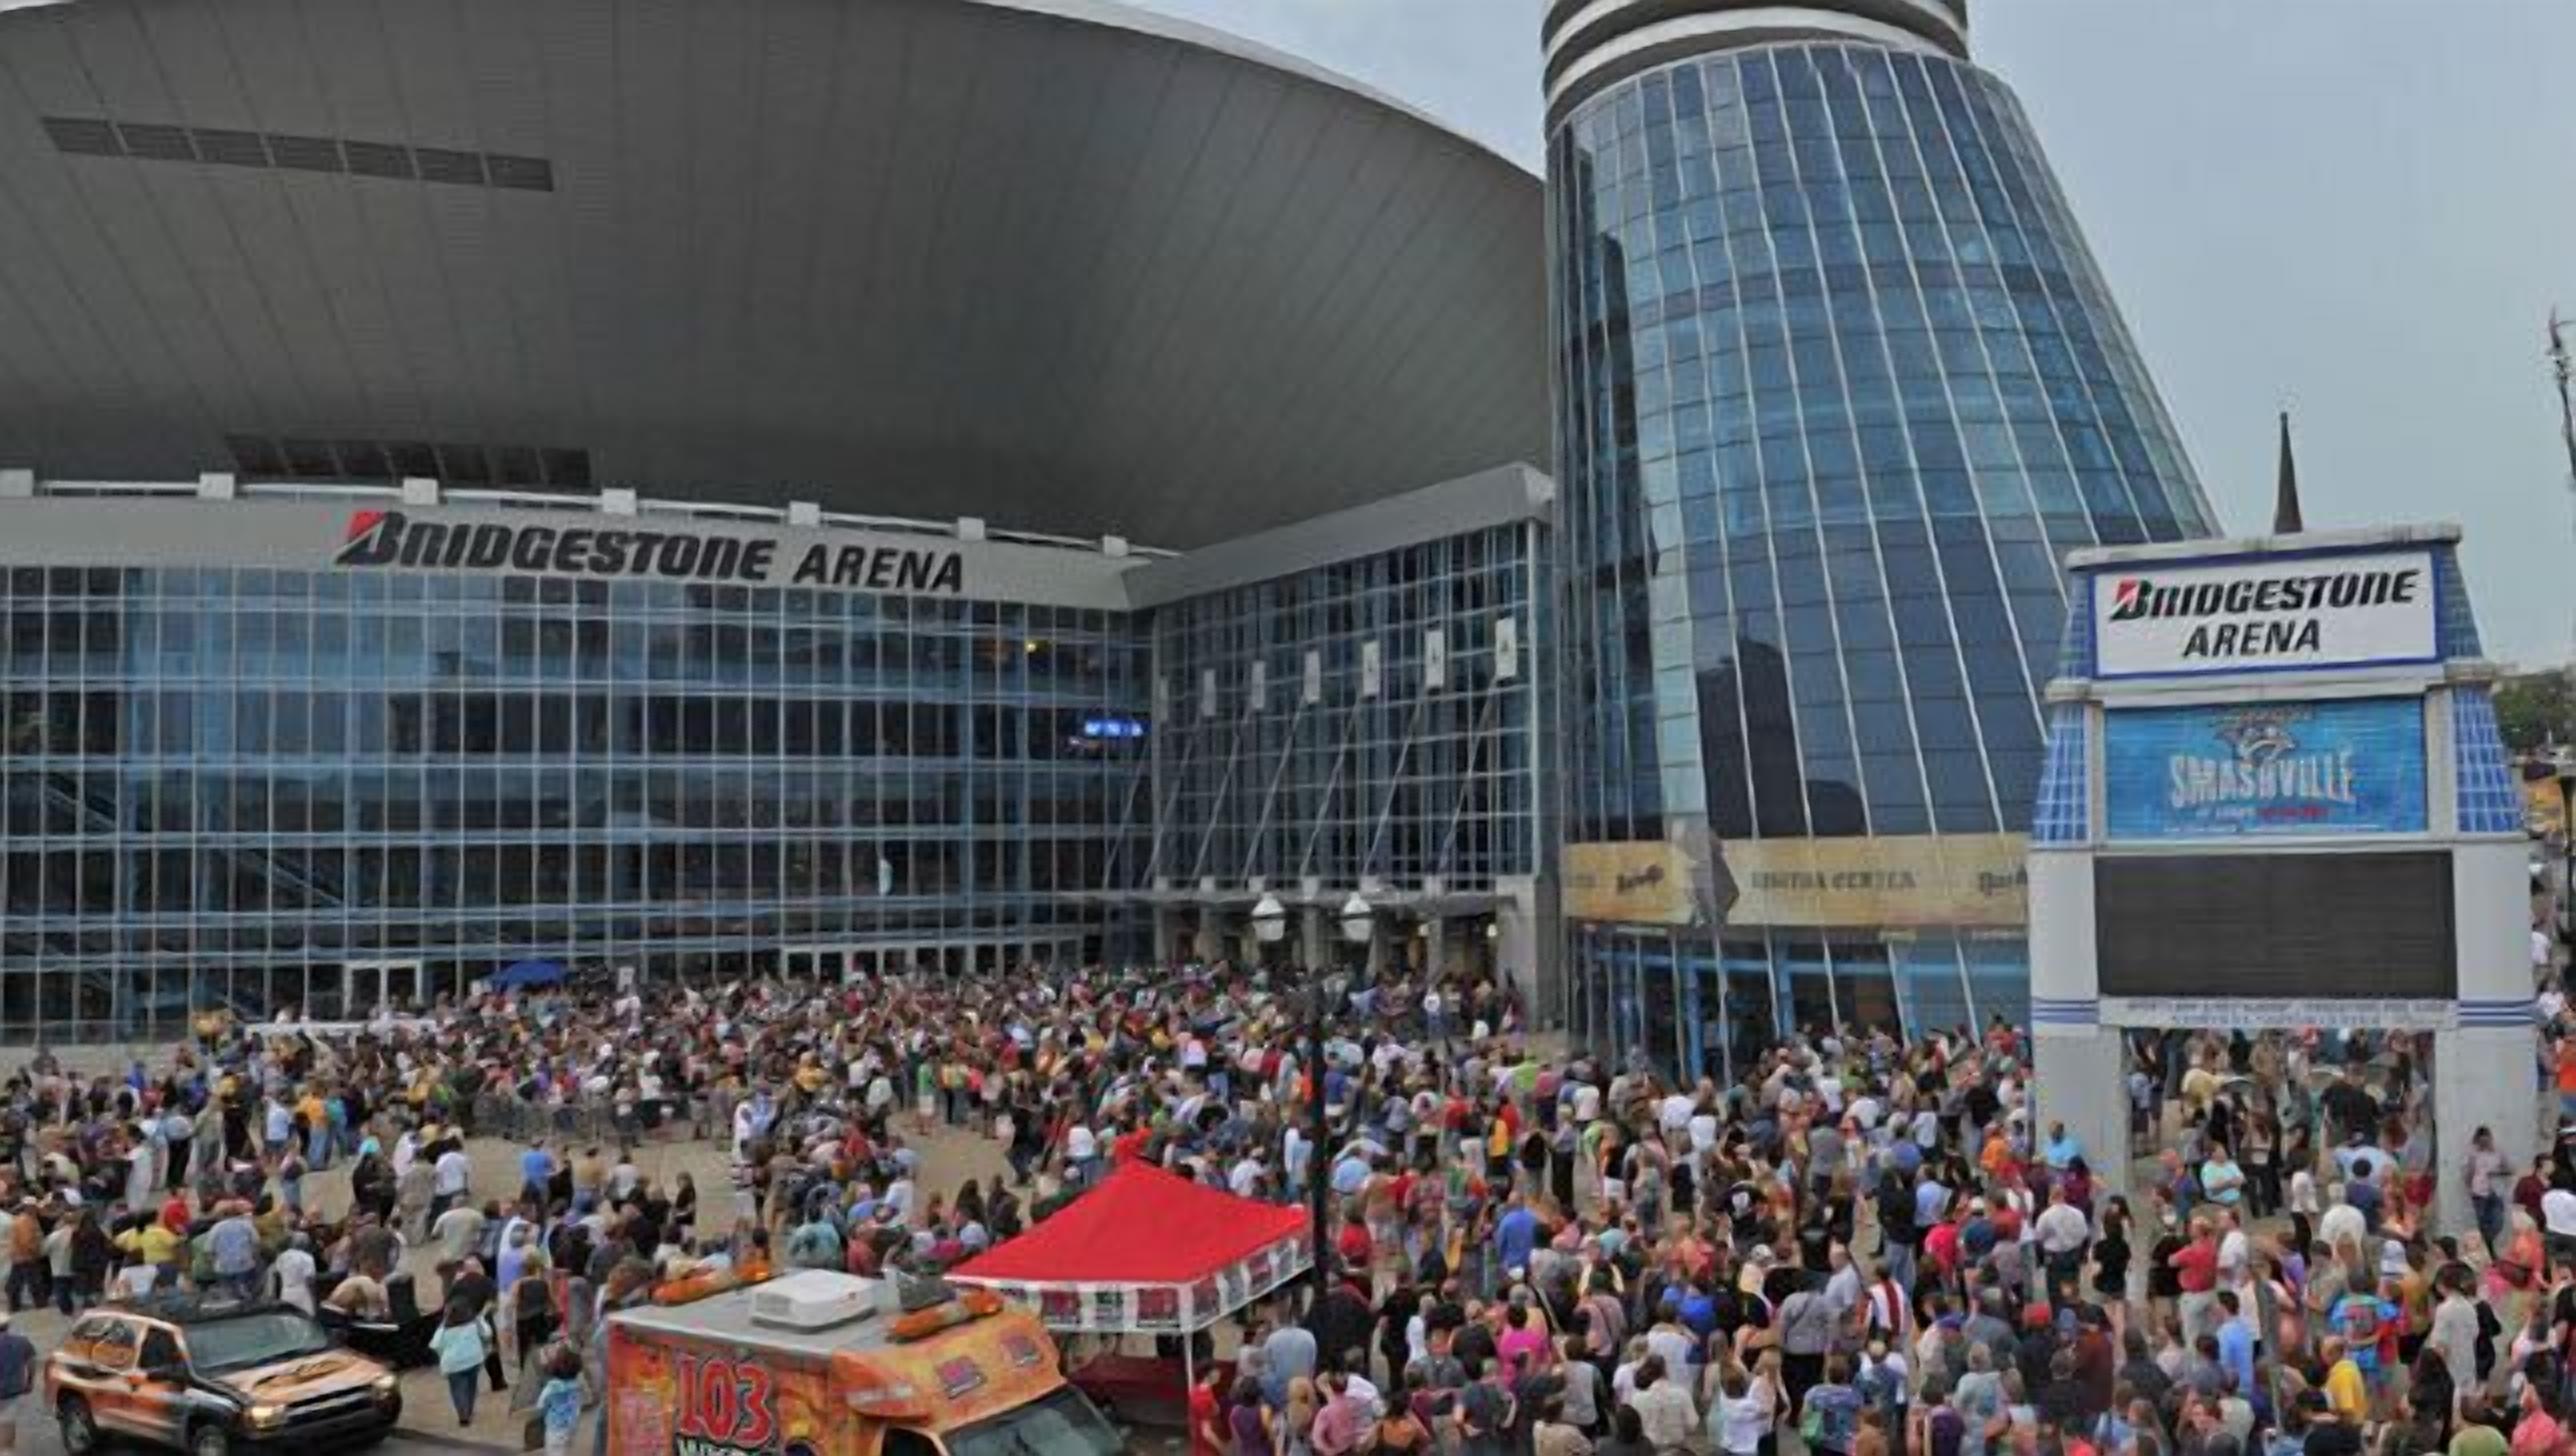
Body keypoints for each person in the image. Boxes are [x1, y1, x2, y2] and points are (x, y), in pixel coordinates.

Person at [430, 1297, 493, 1426]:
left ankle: (462, 1415)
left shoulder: (445, 1328)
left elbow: (435, 1345)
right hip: (473, 1360)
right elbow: (487, 1334)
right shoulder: (473, 1323)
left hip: (453, 1364)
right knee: (471, 1387)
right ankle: (469, 1410)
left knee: (457, 1389)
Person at [536, 1345, 584, 1456]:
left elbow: (541, 1404)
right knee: (565, 1450)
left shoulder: (552, 1387)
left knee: (554, 1452)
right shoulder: (576, 1386)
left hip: (555, 1427)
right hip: (571, 1425)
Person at [0, 1313, 32, 1455]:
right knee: (7, 1429)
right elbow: (31, 1362)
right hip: (10, 1392)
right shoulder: (21, 1342)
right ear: (8, 1325)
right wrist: (29, 1381)